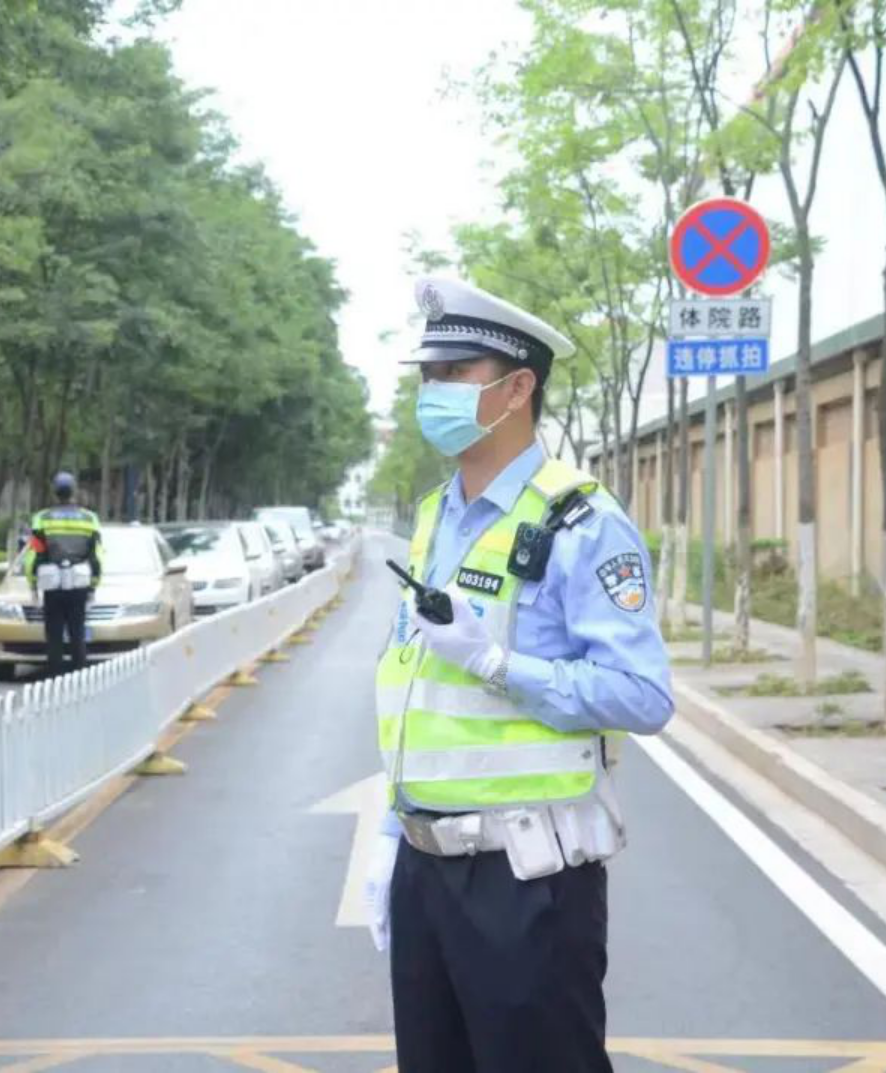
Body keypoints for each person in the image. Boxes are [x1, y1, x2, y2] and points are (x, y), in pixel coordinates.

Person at [365, 276, 673, 1072]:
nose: (434, 393)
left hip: (527, 880)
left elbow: (643, 693)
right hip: (425, 869)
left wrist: (499, 664)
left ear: (517, 389)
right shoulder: (433, 516)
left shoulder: (580, 522)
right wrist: (392, 833)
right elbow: (416, 692)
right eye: (428, 376)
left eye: (455, 373)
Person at [24, 472, 102, 676]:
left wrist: (33, 584)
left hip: (52, 584)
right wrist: (93, 585)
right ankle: (79, 676)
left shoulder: (42, 518)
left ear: (55, 492)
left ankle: (55, 677)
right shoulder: (90, 519)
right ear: (74, 491)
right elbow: (97, 556)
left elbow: (34, 554)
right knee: (77, 633)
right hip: (79, 583)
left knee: (54, 635)